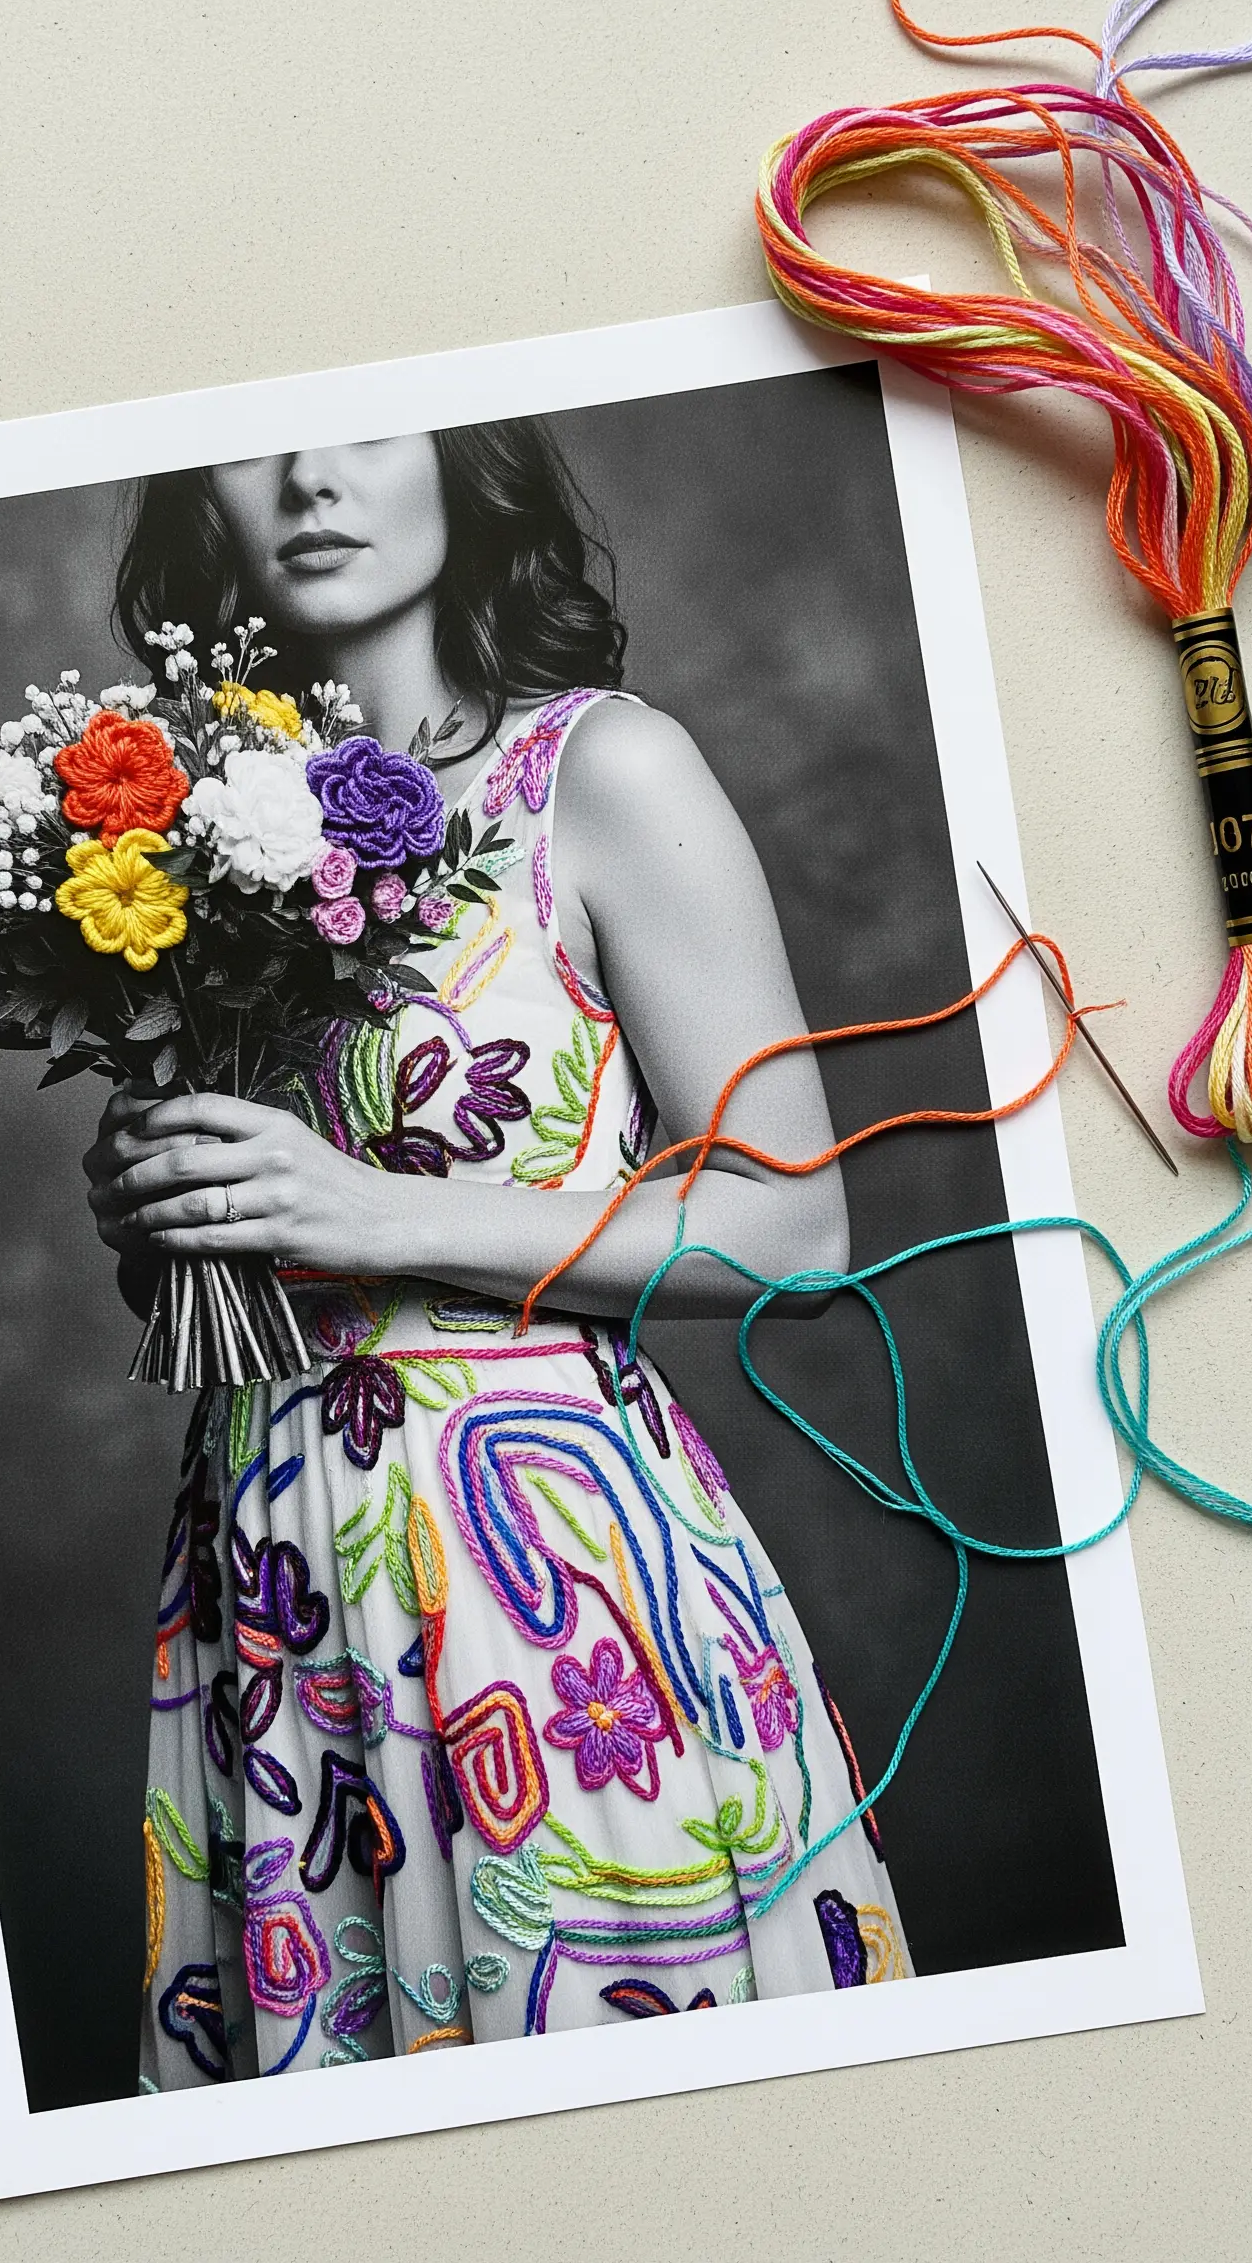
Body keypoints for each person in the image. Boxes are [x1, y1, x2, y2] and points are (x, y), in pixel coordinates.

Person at [85, 424, 909, 2086]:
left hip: (539, 1572)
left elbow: (795, 1226)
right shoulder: (183, 839)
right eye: (256, 448)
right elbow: (263, 1242)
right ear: (199, 499)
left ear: (471, 468)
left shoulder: (606, 771)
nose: (311, 482)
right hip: (271, 1577)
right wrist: (174, 1217)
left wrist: (378, 1216)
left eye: (366, 430)